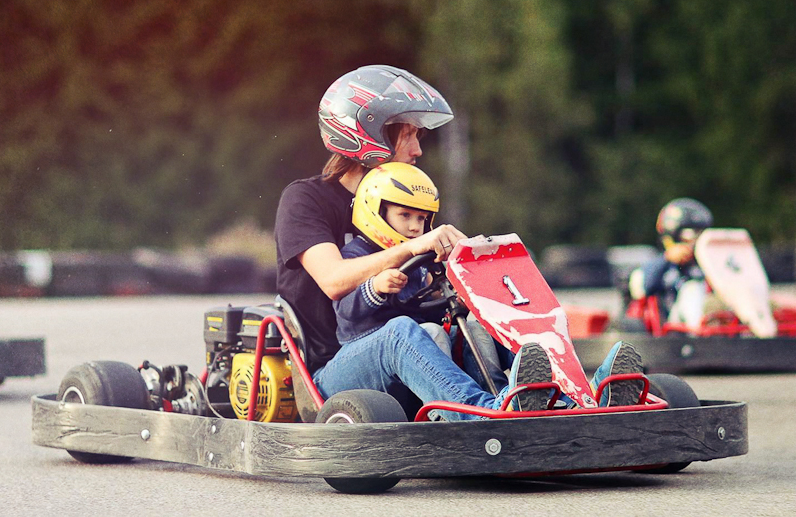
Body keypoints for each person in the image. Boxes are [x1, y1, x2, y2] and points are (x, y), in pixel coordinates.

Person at [274, 65, 641, 420]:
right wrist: (412, 248)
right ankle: (484, 414)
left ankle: (575, 400)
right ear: (369, 134)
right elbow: (334, 280)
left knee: (484, 317)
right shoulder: (306, 200)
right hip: (333, 370)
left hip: (416, 353)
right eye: (409, 135)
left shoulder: (404, 201)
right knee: (401, 333)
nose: (417, 150)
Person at [333, 161, 507, 392]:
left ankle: (502, 393)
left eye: (421, 218)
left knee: (476, 331)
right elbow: (345, 314)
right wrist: (375, 287)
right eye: (405, 215)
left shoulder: (420, 258)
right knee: (430, 333)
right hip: (369, 346)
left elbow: (423, 308)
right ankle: (443, 404)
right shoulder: (356, 255)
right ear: (376, 211)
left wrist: (449, 298)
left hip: (415, 341)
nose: (415, 227)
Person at [628, 198, 715, 327]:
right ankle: (703, 329)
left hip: (710, 313)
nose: (696, 240)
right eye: (693, 234)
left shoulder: (706, 265)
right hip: (673, 326)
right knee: (691, 289)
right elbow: (643, 287)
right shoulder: (661, 266)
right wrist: (668, 258)